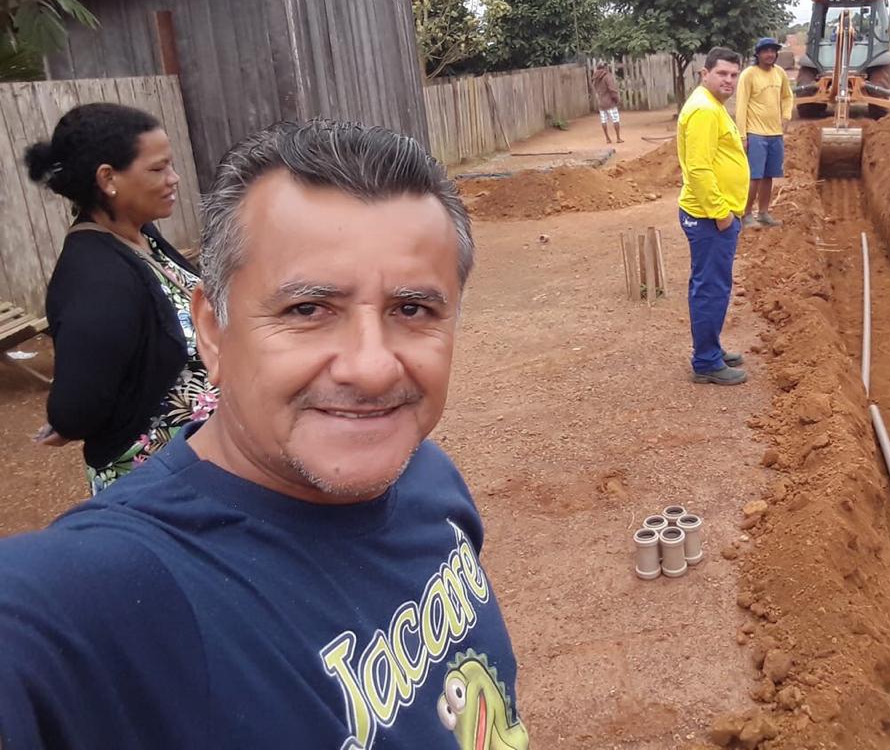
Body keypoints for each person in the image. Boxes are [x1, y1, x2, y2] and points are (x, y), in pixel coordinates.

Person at [0, 120, 526, 749]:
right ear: (213, 332)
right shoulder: (119, 589)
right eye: (307, 310)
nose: (371, 367)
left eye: (412, 309)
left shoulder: (428, 477)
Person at [23, 103, 217, 494]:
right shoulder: (95, 279)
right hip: (160, 486)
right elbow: (74, 410)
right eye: (157, 168)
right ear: (108, 178)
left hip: (205, 467)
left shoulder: (143, 239)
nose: (174, 178)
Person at [676, 48, 750, 386]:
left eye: (734, 75)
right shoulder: (705, 110)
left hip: (713, 214)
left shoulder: (711, 106)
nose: (729, 80)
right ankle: (706, 361)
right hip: (709, 217)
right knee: (711, 288)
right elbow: (699, 169)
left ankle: (711, 349)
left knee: (711, 285)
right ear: (704, 73)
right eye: (722, 73)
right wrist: (722, 214)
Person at [736, 37, 794, 228]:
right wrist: (742, 136)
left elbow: (787, 96)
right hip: (756, 133)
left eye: (773, 51)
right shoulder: (749, 75)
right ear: (758, 54)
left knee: (769, 175)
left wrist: (786, 117)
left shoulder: (780, 74)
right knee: (755, 176)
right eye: (765, 51)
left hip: (775, 134)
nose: (770, 54)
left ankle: (763, 213)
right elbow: (741, 105)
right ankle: (746, 214)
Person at [593, 61, 623, 144]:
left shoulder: (595, 78)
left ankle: (607, 138)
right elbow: (612, 89)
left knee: (603, 121)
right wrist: (616, 99)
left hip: (601, 102)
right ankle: (618, 138)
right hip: (609, 102)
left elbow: (596, 89)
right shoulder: (607, 76)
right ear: (605, 67)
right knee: (615, 119)